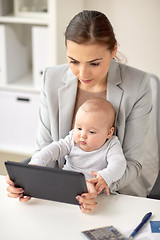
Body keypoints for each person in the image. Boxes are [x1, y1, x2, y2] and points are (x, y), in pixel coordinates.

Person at [6, 10, 158, 213]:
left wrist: (96, 186)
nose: (83, 74)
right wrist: (30, 180)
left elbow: (132, 163)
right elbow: (45, 147)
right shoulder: (51, 78)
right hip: (65, 192)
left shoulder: (138, 84)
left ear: (113, 50)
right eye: (73, 61)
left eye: (94, 63)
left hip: (117, 192)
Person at [29, 98, 126, 196]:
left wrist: (106, 176)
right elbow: (54, 149)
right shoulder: (72, 140)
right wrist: (37, 162)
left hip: (95, 191)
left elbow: (119, 163)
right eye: (79, 128)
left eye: (91, 132)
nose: (82, 135)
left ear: (109, 133)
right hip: (67, 185)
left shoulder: (111, 144)